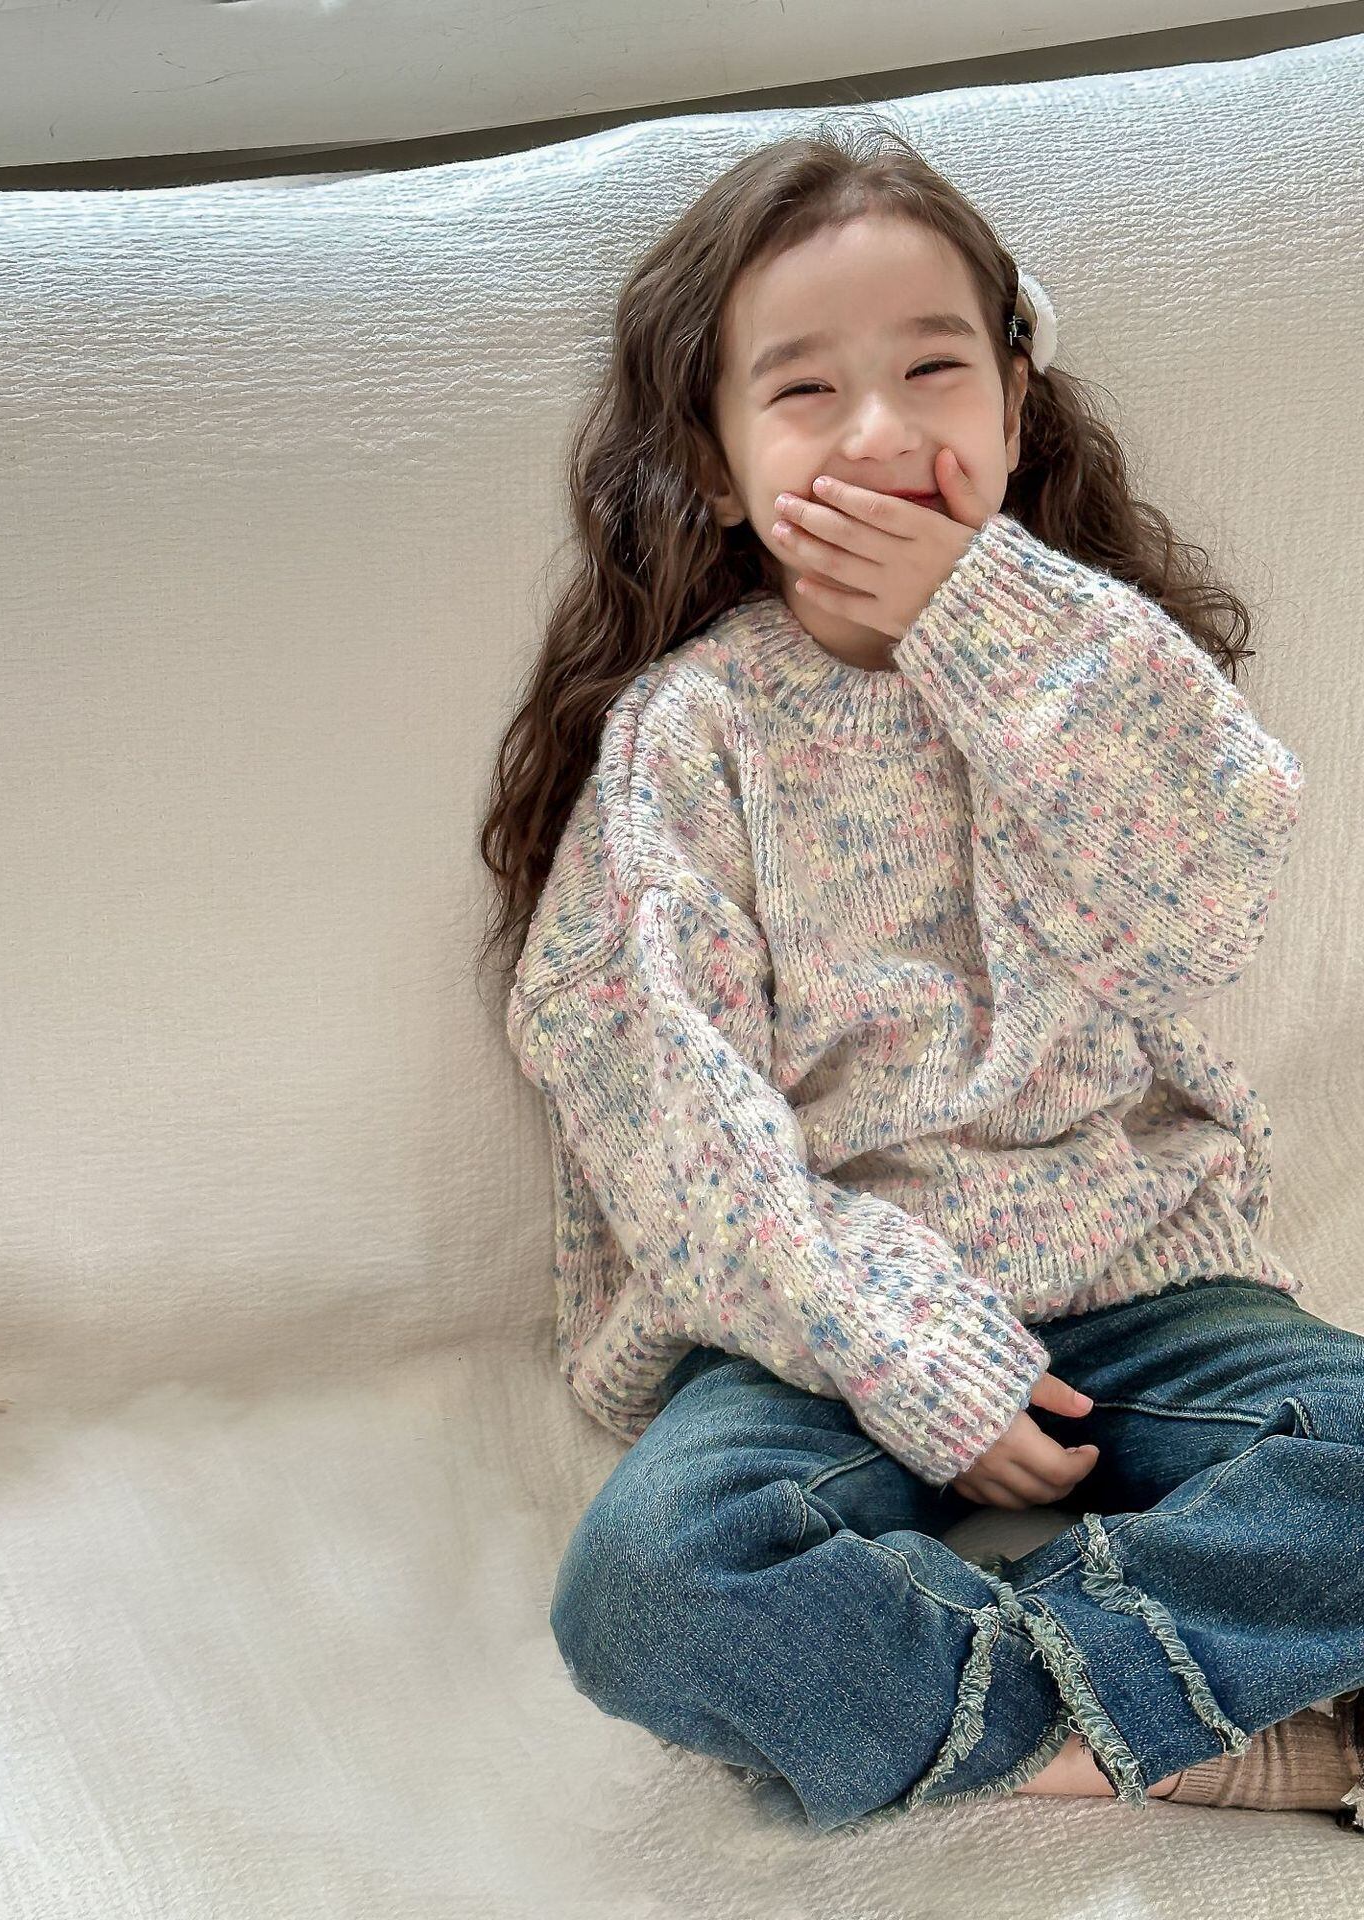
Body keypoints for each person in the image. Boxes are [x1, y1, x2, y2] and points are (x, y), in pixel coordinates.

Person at [473, 109, 1364, 1835]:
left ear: (1014, 407)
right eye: (806, 389)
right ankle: (1194, 1726)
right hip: (809, 1328)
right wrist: (896, 1342)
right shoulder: (692, 734)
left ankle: (1026, 1704)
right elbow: (665, 1114)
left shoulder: (1097, 656)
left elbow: (1208, 913)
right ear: (716, 462)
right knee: (648, 1591)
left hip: (1144, 1280)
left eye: (933, 370)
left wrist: (989, 619)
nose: (880, 431)